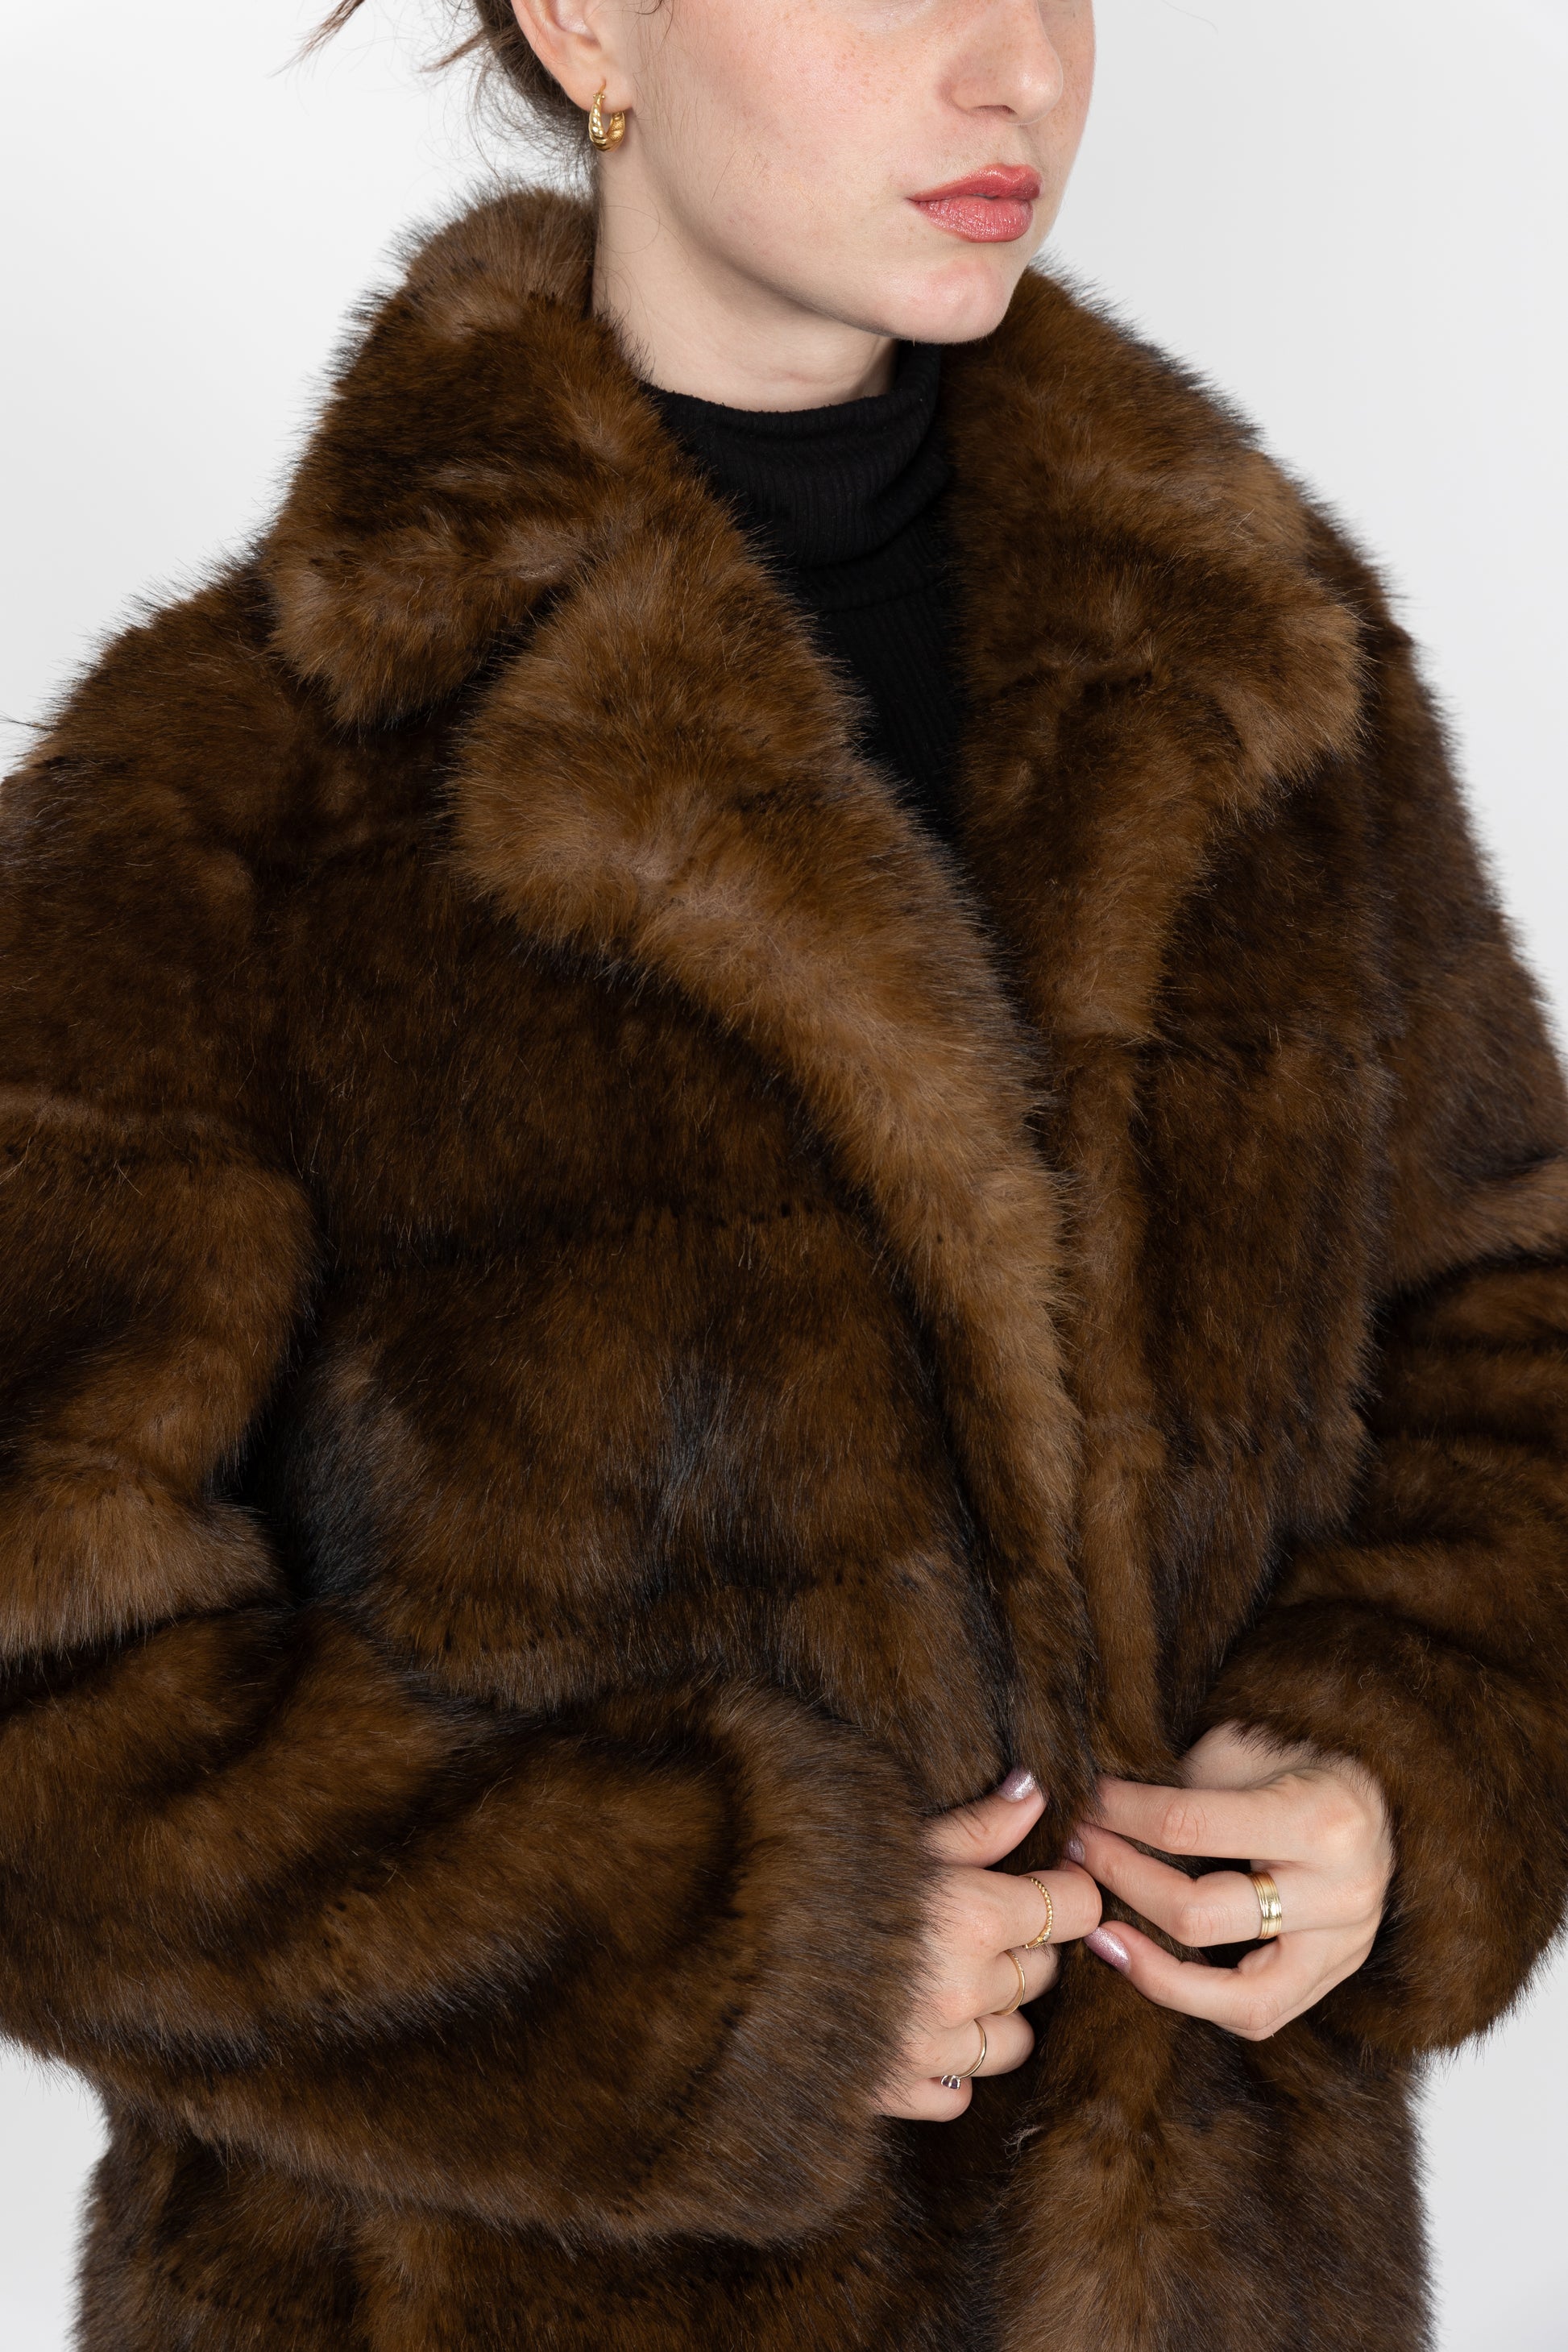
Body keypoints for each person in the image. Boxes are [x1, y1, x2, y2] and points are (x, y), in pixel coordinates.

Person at [2, 1, 1564, 2346]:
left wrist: (1411, 1759)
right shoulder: (241, 779)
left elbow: (1509, 1307)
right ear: (586, 20)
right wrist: (706, 1973)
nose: (1015, 65)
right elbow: (41, 1681)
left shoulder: (1248, 659)